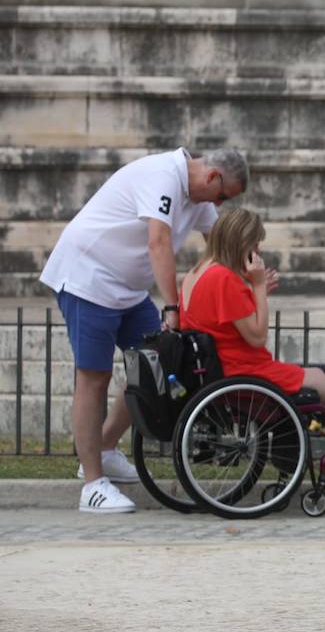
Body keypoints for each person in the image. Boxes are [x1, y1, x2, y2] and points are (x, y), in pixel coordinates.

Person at [40, 148, 247, 513]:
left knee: (154, 369)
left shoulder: (199, 197)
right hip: (87, 278)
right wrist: (172, 308)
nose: (220, 204)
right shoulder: (163, 176)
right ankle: (92, 484)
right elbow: (158, 242)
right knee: (94, 377)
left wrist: (252, 275)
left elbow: (221, 243)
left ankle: (103, 448)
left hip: (127, 290)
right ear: (213, 177)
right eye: (223, 197)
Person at [178, 208, 325, 420]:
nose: (257, 250)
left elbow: (226, 322)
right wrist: (258, 288)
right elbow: (257, 337)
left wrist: (255, 289)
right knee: (324, 383)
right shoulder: (223, 278)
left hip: (219, 369)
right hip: (241, 371)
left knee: (321, 377)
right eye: (254, 243)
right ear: (240, 242)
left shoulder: (196, 272)